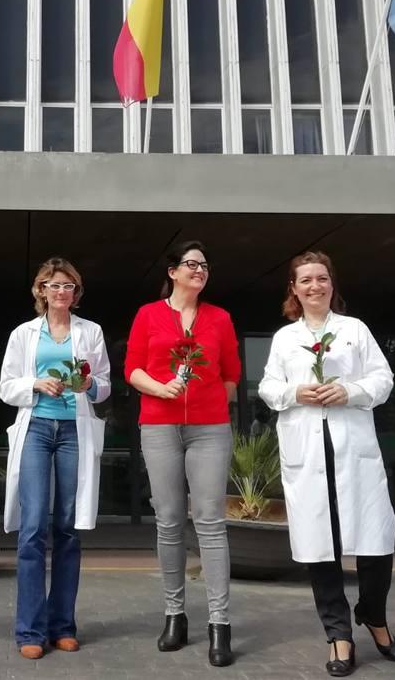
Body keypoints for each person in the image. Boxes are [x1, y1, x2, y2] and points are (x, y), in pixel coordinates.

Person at [258, 251, 395, 678]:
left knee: (377, 543)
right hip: (307, 450)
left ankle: (373, 616)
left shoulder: (353, 330)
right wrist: (294, 394)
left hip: (352, 450)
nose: (314, 286)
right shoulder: (285, 338)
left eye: (321, 278)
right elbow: (268, 385)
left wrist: (350, 391)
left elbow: (383, 379)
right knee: (320, 548)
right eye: (305, 280)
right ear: (294, 289)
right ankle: (338, 634)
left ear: (331, 285)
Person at [124, 240, 241, 668]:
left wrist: (211, 404)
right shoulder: (148, 315)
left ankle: (219, 623)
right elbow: (132, 368)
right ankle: (175, 614)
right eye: (192, 264)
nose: (200, 271)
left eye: (205, 265)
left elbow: (232, 373)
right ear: (172, 272)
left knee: (210, 521)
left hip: (209, 429)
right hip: (158, 424)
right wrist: (161, 388)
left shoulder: (220, 318)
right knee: (169, 520)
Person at [0, 257, 111, 660]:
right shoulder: (23, 334)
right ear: (41, 291)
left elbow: (104, 389)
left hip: (73, 433)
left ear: (75, 293)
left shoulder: (91, 332)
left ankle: (62, 625)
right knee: (32, 528)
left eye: (68, 286)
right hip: (36, 430)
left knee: (67, 527)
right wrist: (35, 383)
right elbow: (6, 387)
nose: (61, 292)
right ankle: (29, 629)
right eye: (54, 285)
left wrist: (88, 384)